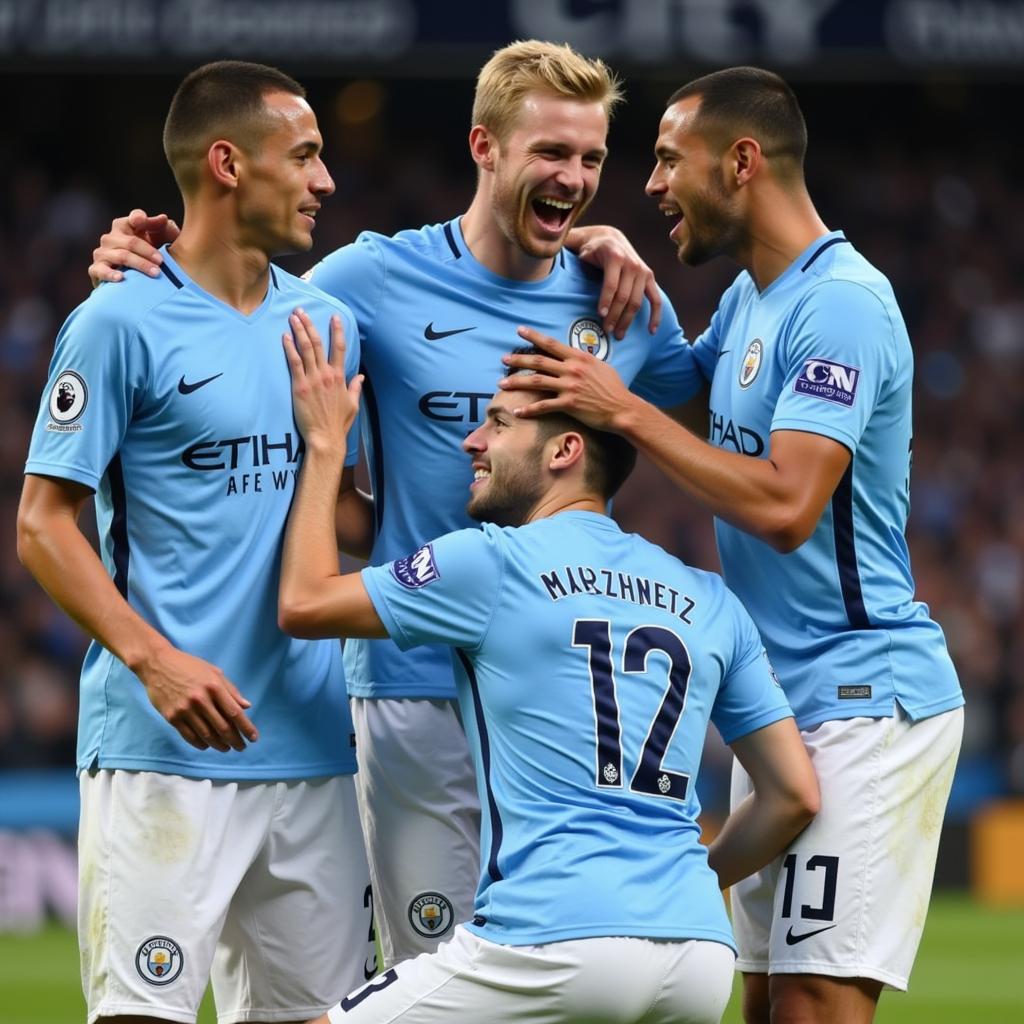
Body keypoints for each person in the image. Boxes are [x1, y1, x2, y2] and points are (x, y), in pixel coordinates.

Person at [86, 40, 703, 968]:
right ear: (484, 146)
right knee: (429, 978)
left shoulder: (621, 304)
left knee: (571, 974)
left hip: (560, 697)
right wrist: (143, 251)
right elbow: (236, 296)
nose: (574, 178)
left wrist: (618, 246)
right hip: (413, 690)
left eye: (591, 159)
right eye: (551, 152)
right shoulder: (367, 281)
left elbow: (703, 412)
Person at [502, 67, 965, 1024]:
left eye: (670, 159)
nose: (654, 181)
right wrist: (620, 259)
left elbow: (790, 503)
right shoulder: (756, 303)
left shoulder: (839, 302)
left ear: (742, 161)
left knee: (809, 1004)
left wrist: (619, 406)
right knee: (753, 1002)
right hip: (784, 711)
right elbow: (678, 385)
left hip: (863, 699)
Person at [276, 310, 819, 1024]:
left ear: (564, 451)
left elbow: (305, 602)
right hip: (694, 953)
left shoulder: (492, 562)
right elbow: (794, 797)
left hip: (552, 940)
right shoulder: (707, 596)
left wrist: (324, 447)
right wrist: (681, 888)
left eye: (498, 424)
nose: (472, 440)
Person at [17, 62, 374, 1024]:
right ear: (227, 163)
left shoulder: (332, 324)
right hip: (164, 751)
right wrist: (157, 661)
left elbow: (363, 526)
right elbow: (44, 524)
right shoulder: (118, 320)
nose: (324, 180)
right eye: (303, 156)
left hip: (312, 748)